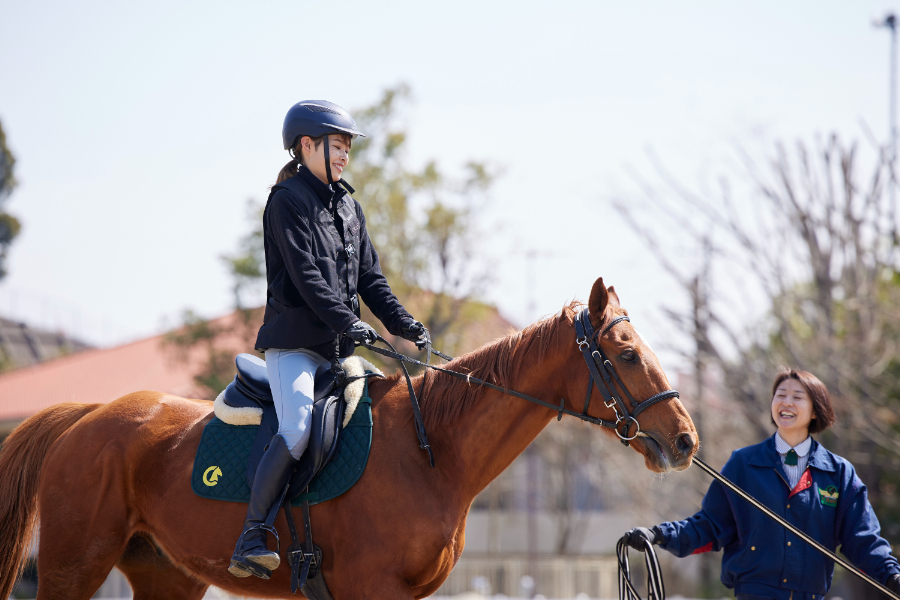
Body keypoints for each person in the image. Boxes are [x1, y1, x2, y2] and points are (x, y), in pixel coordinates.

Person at [229, 100, 429, 578]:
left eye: (346, 149)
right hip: (294, 349)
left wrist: (404, 324)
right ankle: (252, 533)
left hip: (338, 354)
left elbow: (371, 281)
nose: (344, 157)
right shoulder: (286, 202)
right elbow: (306, 281)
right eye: (337, 147)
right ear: (307, 146)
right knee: (297, 428)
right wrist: (350, 323)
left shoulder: (348, 205)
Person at [624, 368, 900, 600]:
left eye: (797, 397)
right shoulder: (743, 465)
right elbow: (709, 528)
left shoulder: (839, 473)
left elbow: (863, 540)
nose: (786, 403)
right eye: (780, 396)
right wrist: (658, 535)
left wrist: (891, 576)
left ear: (816, 410)